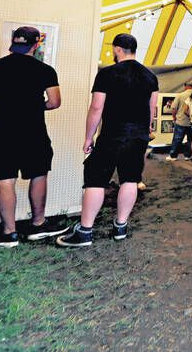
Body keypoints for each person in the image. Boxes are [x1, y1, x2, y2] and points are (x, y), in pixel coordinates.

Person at [57, 33, 158, 247]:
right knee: (130, 179)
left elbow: (96, 107)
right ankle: (121, 227)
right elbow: (152, 109)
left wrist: (88, 137)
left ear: (117, 49)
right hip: (137, 136)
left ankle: (85, 231)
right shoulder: (150, 76)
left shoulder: (107, 74)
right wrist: (146, 130)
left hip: (113, 134)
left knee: (96, 179)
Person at [0, 26, 68, 247]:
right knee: (38, 174)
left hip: (1, 131)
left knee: (5, 178)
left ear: (13, 43)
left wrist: (1, 106)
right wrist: (33, 107)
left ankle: (9, 233)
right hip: (33, 130)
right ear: (35, 45)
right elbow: (54, 102)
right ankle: (38, 225)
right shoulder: (45, 70)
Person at [166, 82, 192, 161]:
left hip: (181, 121)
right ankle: (187, 156)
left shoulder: (180, 95)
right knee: (190, 140)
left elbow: (174, 108)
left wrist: (174, 118)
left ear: (185, 86)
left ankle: (173, 156)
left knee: (177, 139)